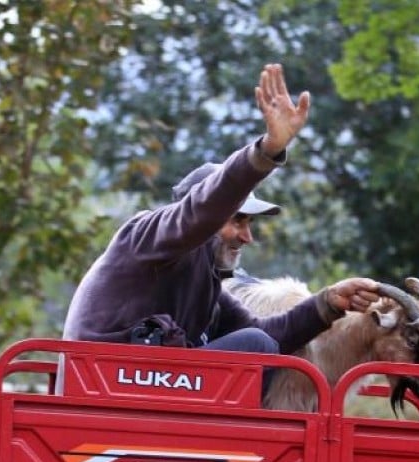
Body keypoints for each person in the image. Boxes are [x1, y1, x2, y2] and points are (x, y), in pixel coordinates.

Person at [63, 63, 379, 358]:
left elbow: (272, 336)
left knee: (258, 342)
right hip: (103, 382)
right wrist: (266, 151)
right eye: (237, 220)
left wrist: (329, 302)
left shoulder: (206, 281)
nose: (247, 237)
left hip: (141, 383)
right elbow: (205, 208)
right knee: (255, 345)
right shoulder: (146, 235)